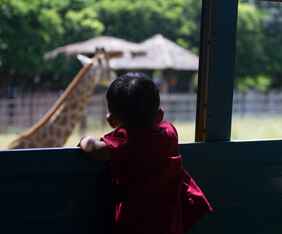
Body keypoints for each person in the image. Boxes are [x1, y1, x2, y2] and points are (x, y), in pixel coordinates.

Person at [78, 73, 212, 234]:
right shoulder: (170, 132)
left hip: (136, 226)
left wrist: (85, 139)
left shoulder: (127, 140)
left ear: (111, 121)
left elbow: (95, 150)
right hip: (170, 223)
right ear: (160, 115)